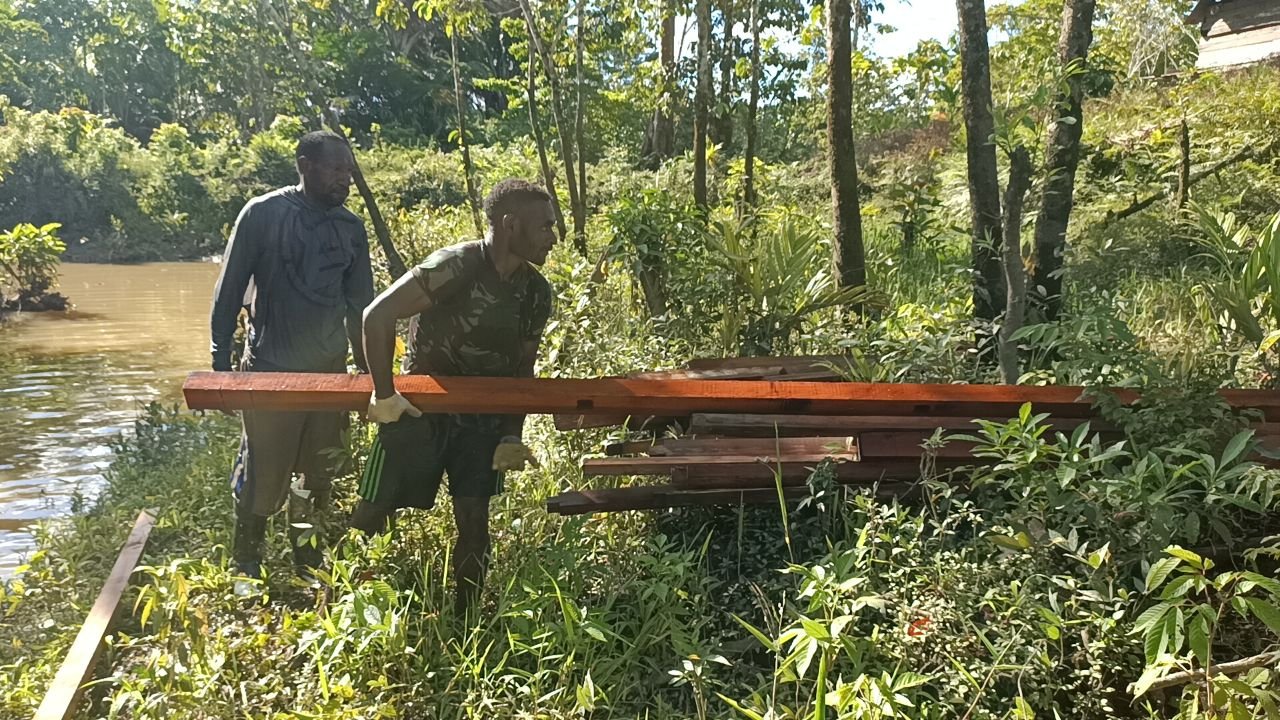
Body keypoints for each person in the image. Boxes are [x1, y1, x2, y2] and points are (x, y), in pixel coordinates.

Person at [353, 178, 557, 614]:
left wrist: (510, 434)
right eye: (544, 227)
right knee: (373, 514)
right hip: (417, 413)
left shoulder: (536, 293)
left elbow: (523, 370)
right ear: (510, 225)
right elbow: (377, 315)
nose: (553, 238)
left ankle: (464, 622)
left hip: (482, 423)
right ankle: (345, 608)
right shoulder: (456, 265)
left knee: (474, 525)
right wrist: (385, 396)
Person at [210, 130, 374, 593]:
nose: (345, 178)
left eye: (349, 171)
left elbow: (360, 306)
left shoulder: (350, 228)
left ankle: (308, 559)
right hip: (270, 367)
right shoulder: (263, 215)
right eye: (336, 168)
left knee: (318, 470)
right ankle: (247, 564)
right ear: (304, 164)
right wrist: (220, 363)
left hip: (328, 373)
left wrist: (366, 374)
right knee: (265, 467)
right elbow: (228, 292)